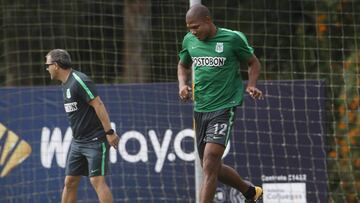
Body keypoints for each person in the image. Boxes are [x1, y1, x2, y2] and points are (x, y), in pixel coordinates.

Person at [177, 4, 264, 203]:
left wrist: (251, 85)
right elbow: (182, 65)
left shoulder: (232, 39)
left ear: (208, 20)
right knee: (213, 166)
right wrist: (182, 85)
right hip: (200, 109)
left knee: (209, 163)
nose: (192, 31)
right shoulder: (189, 40)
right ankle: (250, 192)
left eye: (196, 26)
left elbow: (253, 62)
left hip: (225, 107)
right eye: (189, 28)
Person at [45, 49, 120, 203]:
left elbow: (98, 104)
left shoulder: (79, 80)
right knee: (70, 181)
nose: (47, 68)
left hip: (95, 140)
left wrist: (110, 132)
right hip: (78, 142)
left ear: (56, 65)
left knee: (96, 181)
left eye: (47, 65)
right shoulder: (64, 85)